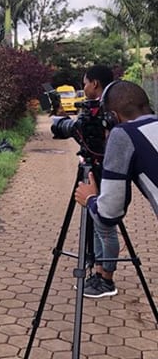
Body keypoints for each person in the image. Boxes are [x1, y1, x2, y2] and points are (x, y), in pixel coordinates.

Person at [75, 80, 158, 298]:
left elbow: (109, 212)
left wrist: (91, 198)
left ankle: (104, 280)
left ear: (111, 116)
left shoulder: (123, 134)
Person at [78, 65, 115, 294]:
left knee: (106, 226)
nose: (83, 87)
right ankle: (99, 272)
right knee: (96, 223)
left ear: (95, 83)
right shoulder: (97, 108)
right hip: (98, 169)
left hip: (109, 174)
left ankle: (107, 281)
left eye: (84, 83)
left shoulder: (110, 110)